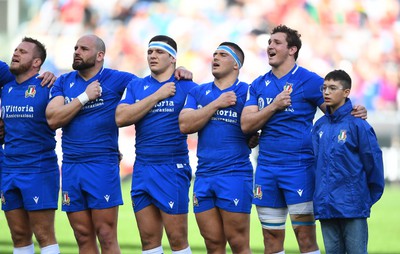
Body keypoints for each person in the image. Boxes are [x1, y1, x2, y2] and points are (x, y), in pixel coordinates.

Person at [45, 34, 191, 254]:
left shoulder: (119, 79)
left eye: (83, 48)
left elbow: (152, 82)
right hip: (71, 165)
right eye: (76, 47)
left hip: (102, 164)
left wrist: (180, 70)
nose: (77, 51)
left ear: (100, 55)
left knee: (105, 234)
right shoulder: (64, 81)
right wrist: (84, 97)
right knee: (82, 235)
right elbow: (53, 119)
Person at [240, 25, 367, 254]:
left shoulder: (308, 80)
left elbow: (335, 112)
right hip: (266, 169)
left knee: (305, 239)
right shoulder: (258, 84)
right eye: (269, 43)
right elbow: (247, 124)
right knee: (270, 239)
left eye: (276, 42)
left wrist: (356, 112)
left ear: (292, 49)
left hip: (299, 169)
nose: (270, 46)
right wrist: (274, 106)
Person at [115, 35, 197, 254]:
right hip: (142, 168)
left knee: (177, 239)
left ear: (173, 59)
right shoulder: (137, 86)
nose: (152, 56)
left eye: (159, 52)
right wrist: (157, 96)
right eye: (150, 51)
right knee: (149, 241)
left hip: (171, 168)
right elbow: (121, 118)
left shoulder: (188, 87)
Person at [179, 42, 256, 254]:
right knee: (212, 244)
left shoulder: (248, 92)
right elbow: (185, 124)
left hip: (234, 174)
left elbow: (257, 124)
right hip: (204, 175)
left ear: (236, 64)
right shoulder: (198, 92)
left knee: (239, 244)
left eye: (222, 55)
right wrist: (217, 104)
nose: (215, 58)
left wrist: (255, 136)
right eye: (214, 54)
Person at [311, 69, 384, 254]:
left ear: (346, 92)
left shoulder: (358, 124)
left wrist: (364, 199)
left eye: (332, 88)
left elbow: (373, 163)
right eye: (324, 88)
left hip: (352, 206)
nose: (326, 92)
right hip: (326, 206)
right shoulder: (319, 126)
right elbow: (315, 166)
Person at [0, 37, 60, 254]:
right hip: (9, 168)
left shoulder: (49, 85)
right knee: (18, 236)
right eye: (15, 49)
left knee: (44, 235)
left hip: (38, 168)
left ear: (37, 62)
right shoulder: (6, 86)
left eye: (23, 52)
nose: (16, 53)